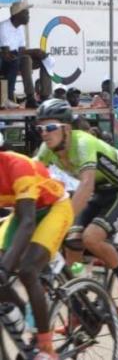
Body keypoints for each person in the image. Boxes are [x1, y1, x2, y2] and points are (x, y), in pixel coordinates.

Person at [34, 99, 118, 315]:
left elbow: (86, 184)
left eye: (51, 127)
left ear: (66, 128)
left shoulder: (82, 143)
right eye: (40, 128)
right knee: (72, 243)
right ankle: (78, 303)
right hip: (99, 194)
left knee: (90, 237)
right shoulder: (47, 148)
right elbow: (30, 175)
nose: (45, 133)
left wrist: (61, 221)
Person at [0, 140, 74, 360]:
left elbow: (28, 222)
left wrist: (5, 268)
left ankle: (45, 347)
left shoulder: (18, 166)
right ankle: (25, 315)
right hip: (22, 212)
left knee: (27, 271)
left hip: (53, 208)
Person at [0, 2, 52, 108]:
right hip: (6, 61)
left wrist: (37, 53)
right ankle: (30, 97)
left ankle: (45, 97)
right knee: (27, 59)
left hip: (17, 59)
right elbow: (7, 53)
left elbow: (22, 50)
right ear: (17, 14)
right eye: (26, 13)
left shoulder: (20, 28)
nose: (28, 16)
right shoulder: (4, 27)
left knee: (44, 59)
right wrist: (33, 51)